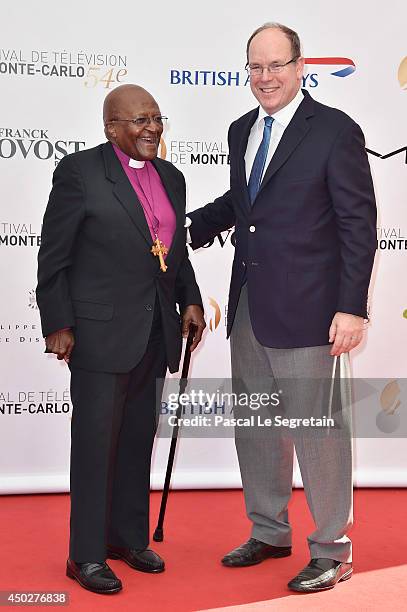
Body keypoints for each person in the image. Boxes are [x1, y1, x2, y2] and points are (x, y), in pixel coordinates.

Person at [187, 23, 377, 592]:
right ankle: (269, 529)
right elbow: (245, 203)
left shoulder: (335, 131)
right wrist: (186, 227)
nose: (265, 78)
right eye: (255, 67)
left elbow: (358, 225)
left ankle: (332, 547)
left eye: (276, 65)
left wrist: (352, 307)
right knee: (259, 427)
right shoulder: (241, 129)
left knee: (316, 431)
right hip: (249, 305)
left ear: (300, 67)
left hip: (312, 311)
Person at [37, 84, 205, 595]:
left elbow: (173, 252)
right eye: (138, 120)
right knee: (94, 447)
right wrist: (57, 323)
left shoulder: (172, 177)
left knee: (136, 442)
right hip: (99, 334)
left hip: (154, 332)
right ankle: (84, 554)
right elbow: (53, 255)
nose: (151, 127)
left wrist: (191, 298)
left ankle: (128, 538)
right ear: (111, 128)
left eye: (156, 118)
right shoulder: (80, 173)